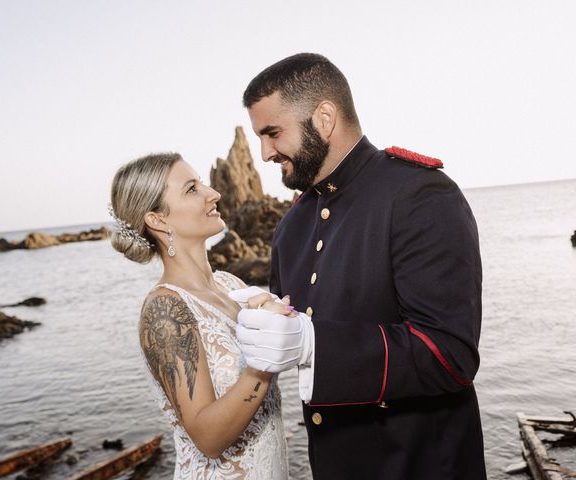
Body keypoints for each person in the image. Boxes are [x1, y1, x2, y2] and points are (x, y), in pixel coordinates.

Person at [234, 53, 487, 479]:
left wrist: (314, 346)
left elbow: (450, 356)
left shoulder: (419, 194)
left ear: (325, 118)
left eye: (273, 133)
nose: (263, 153)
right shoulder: (291, 228)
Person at [109, 153, 290, 479]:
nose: (213, 193)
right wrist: (264, 360)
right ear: (158, 220)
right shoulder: (164, 312)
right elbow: (208, 439)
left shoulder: (231, 285)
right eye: (192, 188)